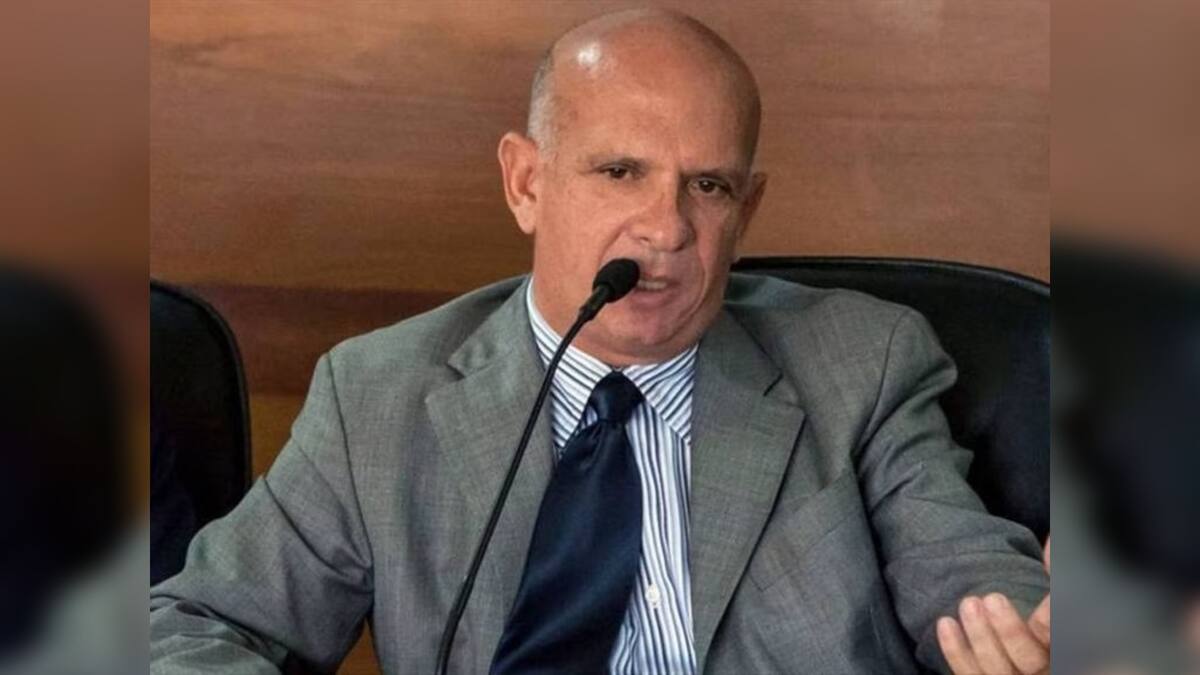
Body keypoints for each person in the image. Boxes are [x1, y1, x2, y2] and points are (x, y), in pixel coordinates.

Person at [150, 9, 1050, 674]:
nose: (666, 227)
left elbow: (963, 573)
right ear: (526, 182)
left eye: (708, 186)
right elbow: (194, 626)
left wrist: (1033, 631)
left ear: (747, 209)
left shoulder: (861, 362)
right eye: (621, 172)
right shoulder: (378, 396)